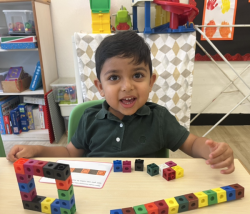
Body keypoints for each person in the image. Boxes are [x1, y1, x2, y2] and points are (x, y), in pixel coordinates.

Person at [7, 31, 234, 174]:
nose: (127, 86)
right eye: (114, 78)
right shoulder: (90, 119)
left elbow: (192, 144)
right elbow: (69, 153)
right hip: (96, 197)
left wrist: (212, 151)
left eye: (137, 75)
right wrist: (37, 149)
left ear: (151, 81)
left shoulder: (160, 118)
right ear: (100, 87)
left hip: (147, 199)